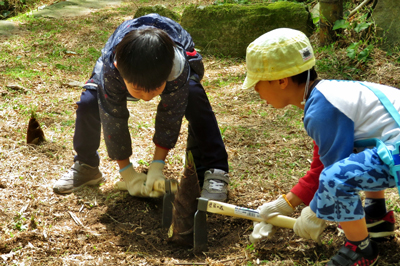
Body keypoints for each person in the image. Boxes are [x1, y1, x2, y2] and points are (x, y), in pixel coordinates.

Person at [243, 28, 400, 266]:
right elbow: (323, 161)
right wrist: (287, 203)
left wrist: (315, 213)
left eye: (257, 83)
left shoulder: (321, 111)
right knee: (355, 158)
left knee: (338, 177)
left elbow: (333, 172)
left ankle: (361, 250)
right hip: (393, 146)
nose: (255, 91)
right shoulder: (327, 96)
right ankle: (376, 216)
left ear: (281, 81)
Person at [53, 14, 230, 202]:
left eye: (155, 89)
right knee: (90, 101)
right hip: (121, 63)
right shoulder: (111, 67)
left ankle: (214, 169)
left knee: (193, 96)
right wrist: (127, 173)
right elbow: (113, 118)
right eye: (138, 89)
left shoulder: (176, 66)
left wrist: (157, 164)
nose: (146, 97)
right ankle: (86, 166)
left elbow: (170, 116)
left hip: (175, 54)